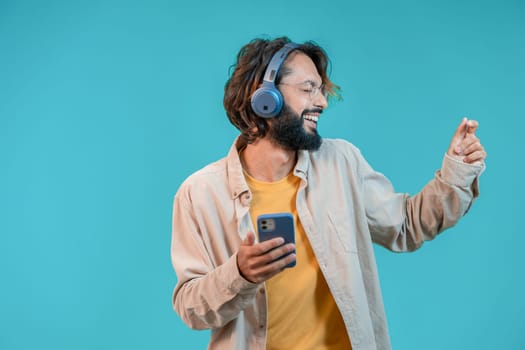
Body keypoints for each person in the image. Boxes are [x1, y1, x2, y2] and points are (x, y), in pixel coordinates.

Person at [170, 37, 486, 350]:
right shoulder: (199, 193)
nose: (321, 102)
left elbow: (407, 225)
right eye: (308, 89)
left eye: (321, 90)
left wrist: (456, 170)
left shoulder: (342, 163)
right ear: (265, 98)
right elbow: (190, 308)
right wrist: (239, 273)